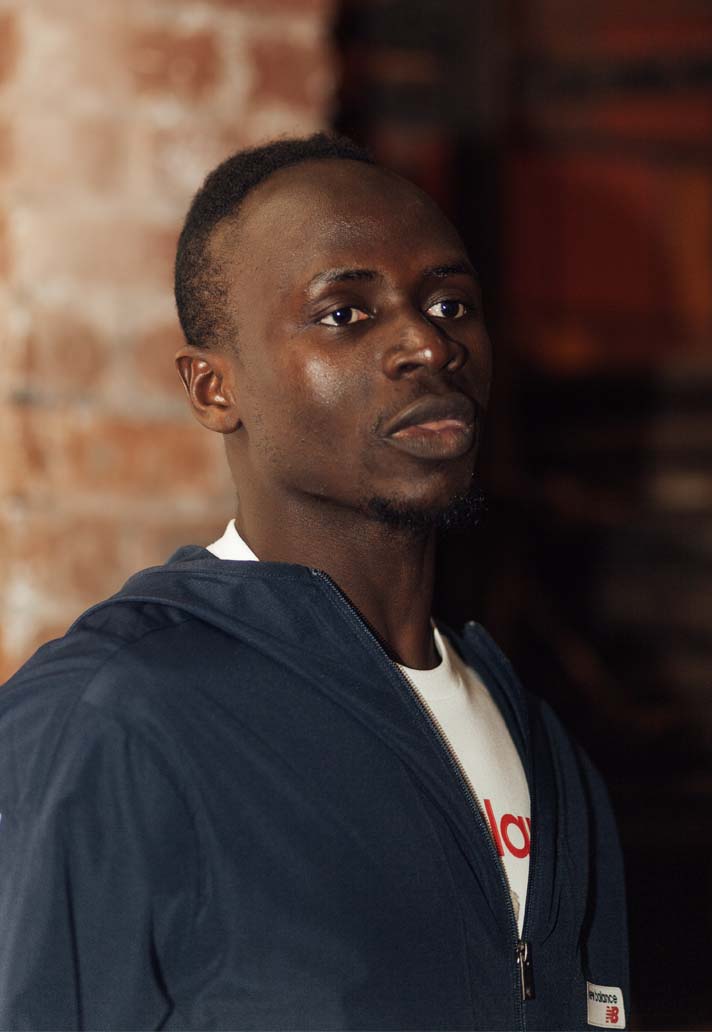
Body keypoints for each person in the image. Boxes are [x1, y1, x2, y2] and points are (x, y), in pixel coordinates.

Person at [0, 133, 629, 1030]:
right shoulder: (111, 717)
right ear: (214, 389)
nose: (427, 345)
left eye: (450, 304)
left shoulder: (548, 750)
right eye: (345, 314)